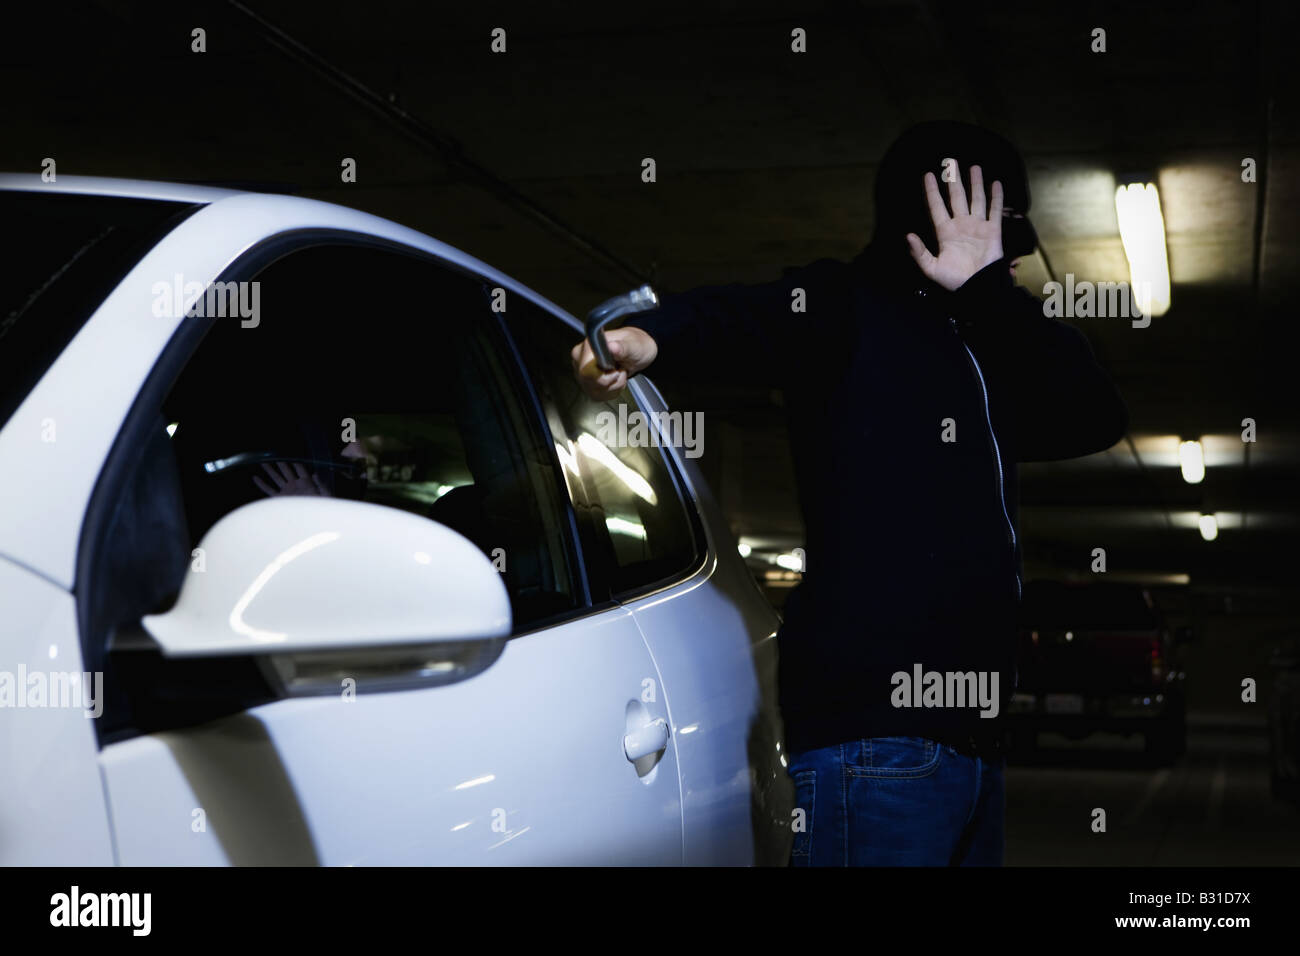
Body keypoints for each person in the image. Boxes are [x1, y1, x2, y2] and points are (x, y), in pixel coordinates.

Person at [568, 121, 1128, 866]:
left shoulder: (985, 348)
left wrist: (988, 290)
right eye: (998, 230)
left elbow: (1094, 415)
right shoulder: (847, 307)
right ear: (939, 215)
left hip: (973, 749)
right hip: (879, 744)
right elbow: (746, 315)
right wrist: (650, 336)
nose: (1014, 254)